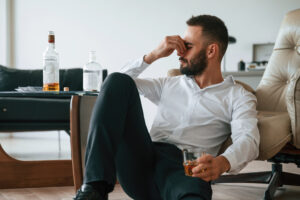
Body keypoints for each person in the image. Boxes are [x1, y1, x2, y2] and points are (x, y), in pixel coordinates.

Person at [74, 15, 260, 200]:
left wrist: (223, 162)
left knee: (194, 194)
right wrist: (153, 55)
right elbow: (112, 86)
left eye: (187, 46)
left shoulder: (238, 96)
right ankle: (94, 189)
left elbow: (249, 140)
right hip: (142, 161)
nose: (179, 53)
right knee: (117, 80)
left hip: (184, 171)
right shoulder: (169, 84)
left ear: (211, 51)